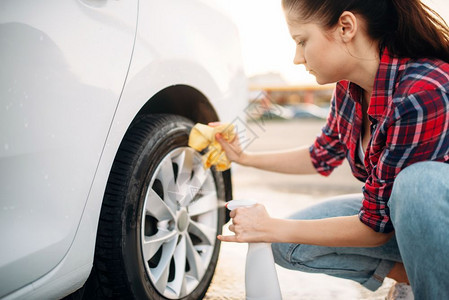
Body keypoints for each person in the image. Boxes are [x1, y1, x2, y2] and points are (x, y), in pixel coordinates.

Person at [215, 0, 449, 299]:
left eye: (302, 41)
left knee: (417, 183)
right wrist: (243, 158)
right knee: (286, 244)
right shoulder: (349, 89)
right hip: (398, 221)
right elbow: (320, 156)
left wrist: (270, 226)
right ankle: (413, 277)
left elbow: (374, 229)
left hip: (436, 215)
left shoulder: (423, 92)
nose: (297, 58)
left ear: (346, 27)